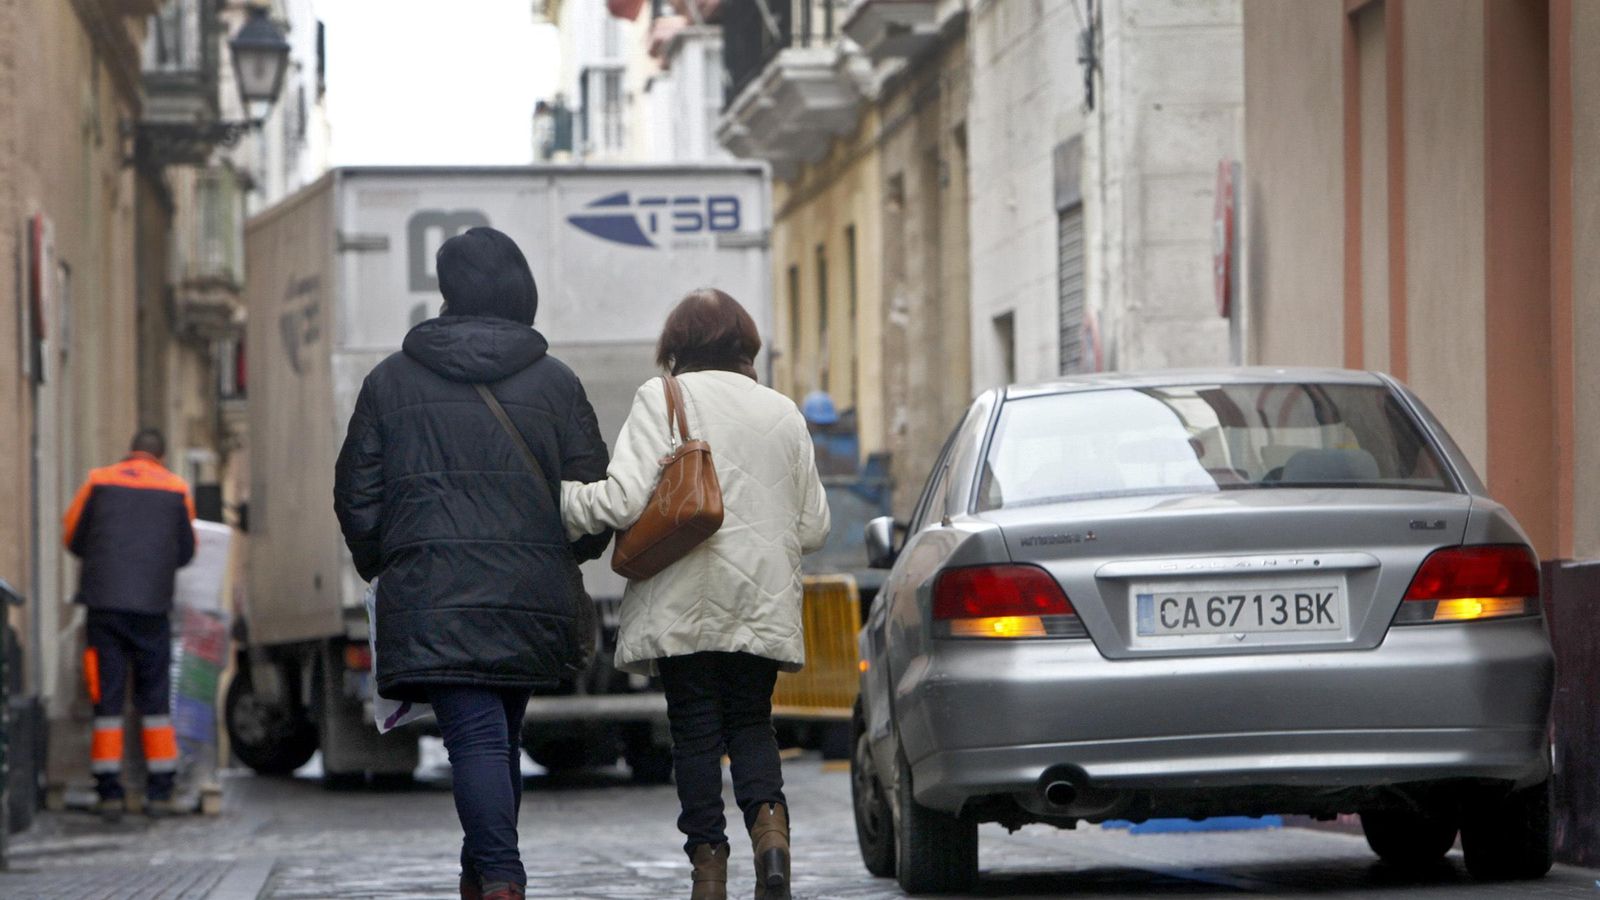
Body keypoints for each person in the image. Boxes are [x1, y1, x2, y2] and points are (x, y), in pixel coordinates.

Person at [333, 227, 611, 900]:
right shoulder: (557, 383)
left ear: (447, 290)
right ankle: (484, 874)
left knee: (482, 740)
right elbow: (590, 495)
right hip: (529, 593)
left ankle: (499, 879)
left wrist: (388, 564)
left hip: (432, 592)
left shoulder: (389, 382)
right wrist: (562, 557)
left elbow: (355, 496)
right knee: (494, 737)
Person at [562, 289, 830, 900]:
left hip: (680, 602)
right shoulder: (784, 412)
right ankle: (772, 839)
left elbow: (624, 500)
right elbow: (814, 527)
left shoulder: (663, 397)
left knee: (695, 735)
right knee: (751, 723)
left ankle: (709, 872)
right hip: (759, 601)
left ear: (675, 347)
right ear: (744, 345)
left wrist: (559, 502)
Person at [62, 428, 196, 821]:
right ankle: (160, 791)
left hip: (104, 608)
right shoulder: (176, 488)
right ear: (161, 455)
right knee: (154, 701)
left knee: (107, 699)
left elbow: (72, 535)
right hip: (153, 609)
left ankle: (109, 793)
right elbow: (187, 551)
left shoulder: (98, 481)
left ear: (130, 452)